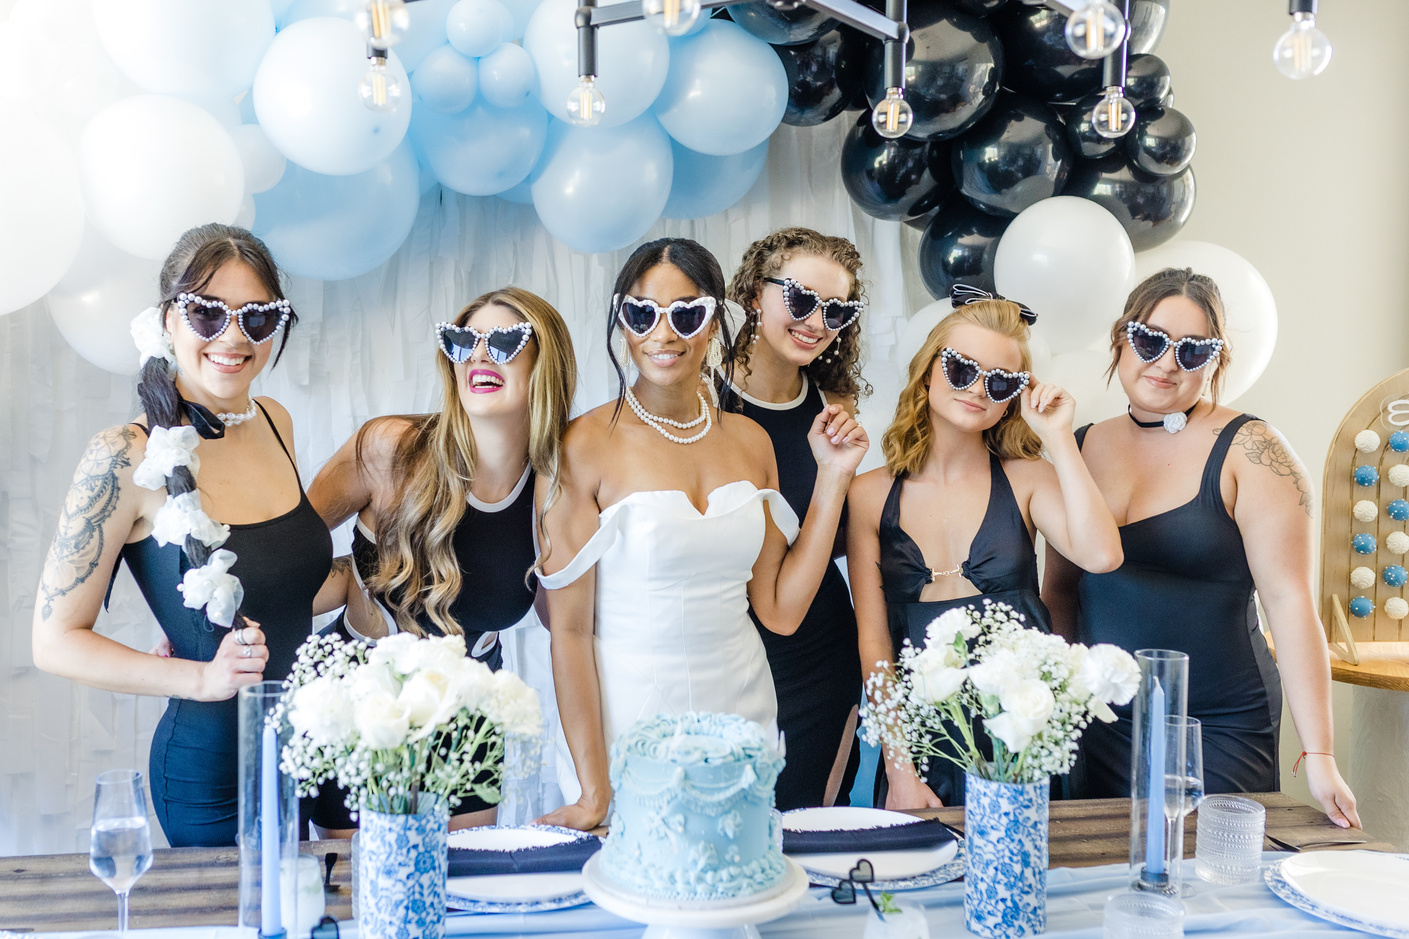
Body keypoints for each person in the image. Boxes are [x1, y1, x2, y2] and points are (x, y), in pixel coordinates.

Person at [535, 237, 868, 831]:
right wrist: (593, 789)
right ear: (622, 319)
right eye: (642, 313)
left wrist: (835, 478)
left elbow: (781, 611)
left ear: (715, 321)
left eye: (686, 314)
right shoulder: (579, 446)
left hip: (742, 709)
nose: (663, 333)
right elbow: (568, 629)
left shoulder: (749, 440)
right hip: (630, 711)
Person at [31, 224, 341, 847]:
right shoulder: (125, 456)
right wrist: (200, 678)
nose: (232, 337)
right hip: (212, 778)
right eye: (206, 313)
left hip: (312, 754)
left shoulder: (274, 422)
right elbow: (54, 642)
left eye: (256, 317)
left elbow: (281, 591)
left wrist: (388, 571)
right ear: (167, 320)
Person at [1041, 267, 1360, 828]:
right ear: (1121, 337)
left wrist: (1321, 755)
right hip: (1103, 721)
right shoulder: (1080, 443)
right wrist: (1058, 712)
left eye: (1192, 350)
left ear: (1215, 360)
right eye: (1149, 339)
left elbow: (1289, 603)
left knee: (1213, 880)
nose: (1166, 362)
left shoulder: (1253, 449)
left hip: (1220, 722)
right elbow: (1061, 591)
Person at [307, 286, 576, 833]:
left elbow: (566, 620)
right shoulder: (390, 450)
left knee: (465, 896)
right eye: (462, 341)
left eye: (502, 341)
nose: (478, 355)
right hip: (362, 705)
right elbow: (291, 552)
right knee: (363, 896)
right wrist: (199, 629)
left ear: (545, 360)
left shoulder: (556, 485)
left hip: (471, 706)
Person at [848, 286, 1123, 808]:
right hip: (929, 738)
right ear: (928, 369)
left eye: (1001, 381)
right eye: (960, 368)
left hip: (1027, 734)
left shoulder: (1028, 480)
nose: (977, 389)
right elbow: (875, 648)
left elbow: (1102, 555)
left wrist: (1060, 436)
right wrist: (900, 770)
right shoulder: (868, 495)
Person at [721, 228, 868, 810]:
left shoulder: (835, 406)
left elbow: (835, 534)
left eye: (837, 310)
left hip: (818, 658)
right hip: (724, 653)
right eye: (802, 299)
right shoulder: (698, 399)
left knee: (810, 839)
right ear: (757, 293)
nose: (817, 321)